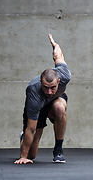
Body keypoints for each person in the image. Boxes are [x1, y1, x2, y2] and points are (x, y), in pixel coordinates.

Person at [14, 34, 71, 164]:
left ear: (59, 81)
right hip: (39, 106)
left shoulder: (65, 74)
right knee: (31, 155)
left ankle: (58, 150)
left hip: (57, 101)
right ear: (40, 82)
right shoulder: (33, 92)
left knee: (59, 108)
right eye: (46, 88)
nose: (49, 92)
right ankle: (23, 139)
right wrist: (23, 157)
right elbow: (31, 129)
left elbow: (58, 56)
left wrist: (55, 45)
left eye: (53, 88)